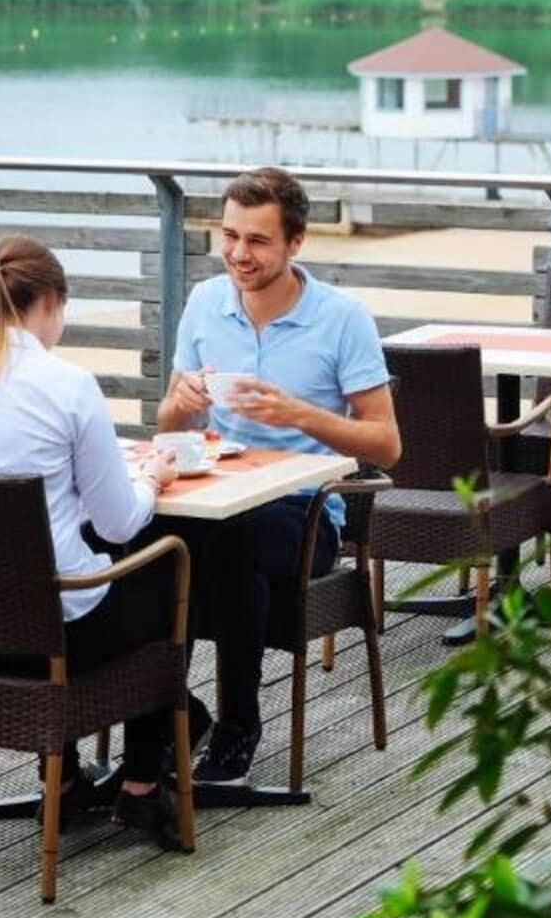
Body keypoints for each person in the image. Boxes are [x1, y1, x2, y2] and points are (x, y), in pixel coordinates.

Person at [0, 235, 197, 844]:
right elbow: (120, 522)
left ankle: (63, 784)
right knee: (163, 570)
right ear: (48, 303)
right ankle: (142, 785)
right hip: (53, 640)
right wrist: (150, 477)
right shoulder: (66, 385)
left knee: (56, 561)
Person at [154, 166, 401, 787]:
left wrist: (298, 414)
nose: (239, 253)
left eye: (258, 241)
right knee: (141, 540)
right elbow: (170, 425)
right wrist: (179, 403)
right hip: (217, 493)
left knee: (233, 545)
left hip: (307, 512)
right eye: (230, 236)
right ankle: (169, 715)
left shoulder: (342, 319)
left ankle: (238, 727)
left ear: (296, 242)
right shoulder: (205, 304)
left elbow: (387, 444)